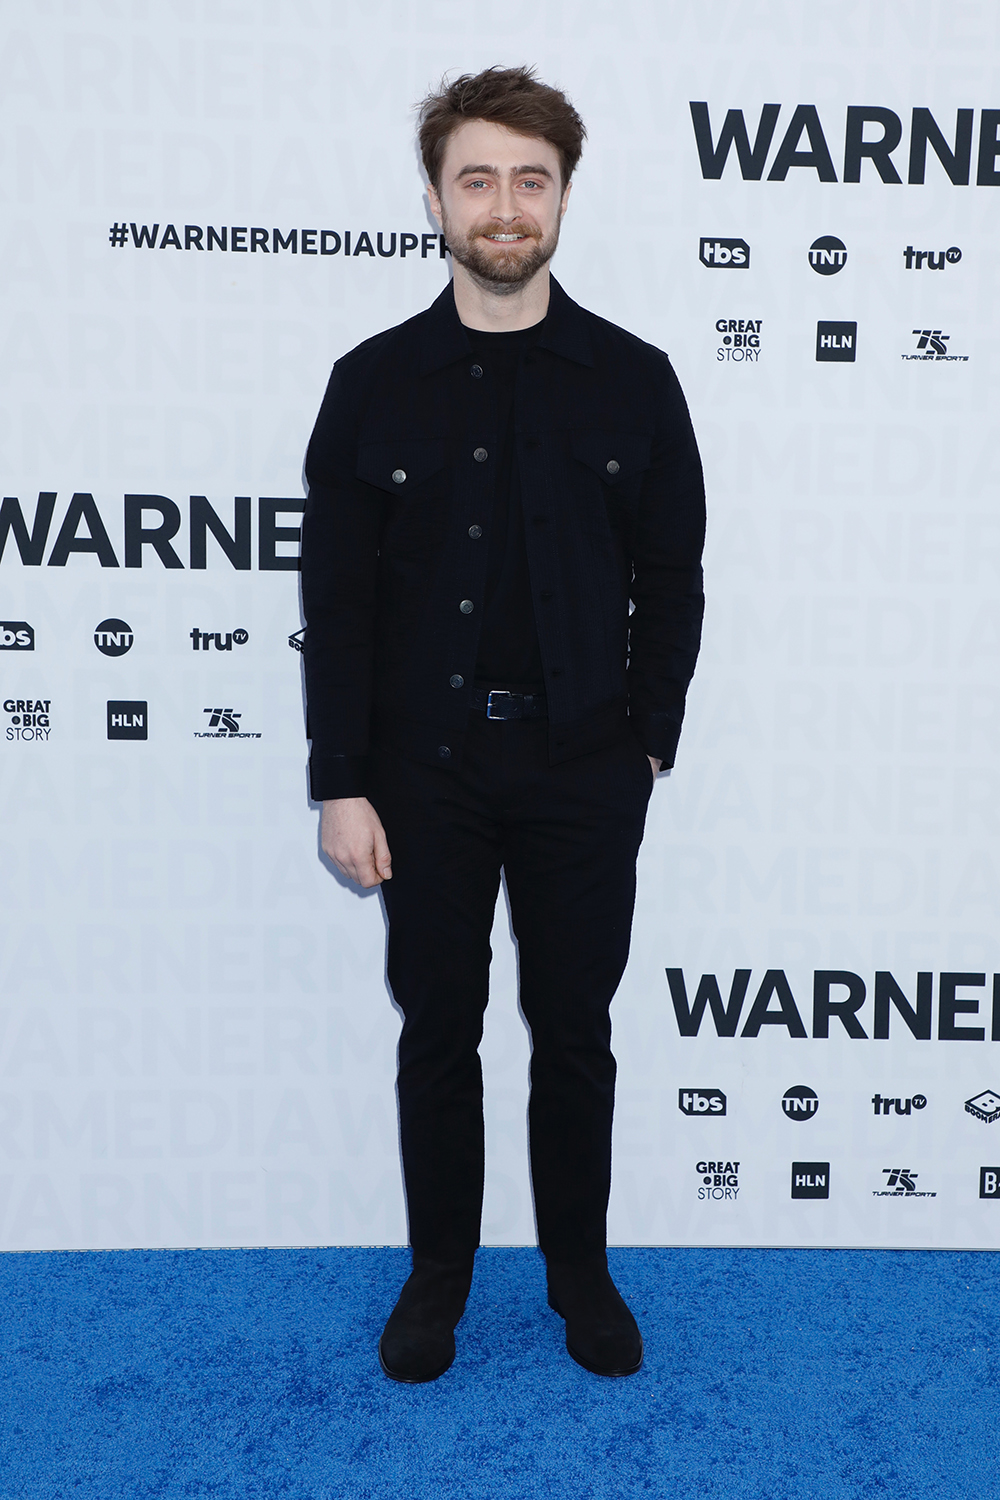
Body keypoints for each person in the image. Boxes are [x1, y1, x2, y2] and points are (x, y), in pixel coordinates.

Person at [301, 65, 705, 1382]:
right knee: (439, 1035)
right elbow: (339, 600)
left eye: (531, 179)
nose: (505, 204)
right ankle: (438, 1283)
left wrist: (649, 736)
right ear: (435, 198)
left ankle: (580, 1279)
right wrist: (340, 781)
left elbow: (672, 575)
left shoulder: (636, 382)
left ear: (564, 198)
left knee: (575, 1034)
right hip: (422, 772)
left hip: (588, 764)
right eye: (478, 178)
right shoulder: (370, 383)